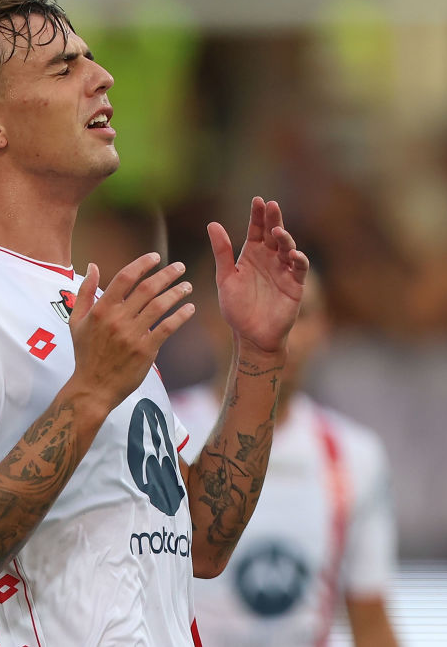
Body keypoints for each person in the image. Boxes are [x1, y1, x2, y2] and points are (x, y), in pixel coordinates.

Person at [0, 0, 310, 646]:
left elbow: (200, 540)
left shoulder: (90, 305)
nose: (103, 78)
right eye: (64, 67)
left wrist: (258, 354)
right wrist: (88, 392)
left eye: (89, 58)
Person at [170, 270, 398, 646]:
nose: (279, 327)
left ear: (325, 328)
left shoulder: (357, 455)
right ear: (214, 321)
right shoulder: (161, 428)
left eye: (300, 315)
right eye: (257, 308)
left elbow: (370, 620)